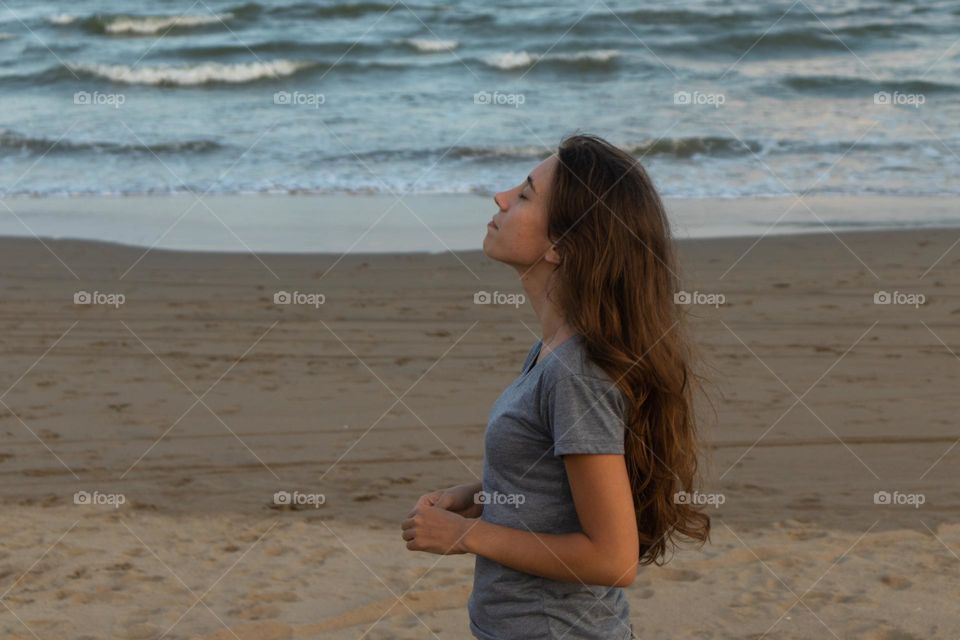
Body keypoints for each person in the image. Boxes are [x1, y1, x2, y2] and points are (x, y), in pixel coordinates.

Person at [401, 133, 711, 639]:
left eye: (524, 195)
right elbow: (560, 484)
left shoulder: (576, 374)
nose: (500, 198)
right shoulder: (554, 354)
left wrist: (466, 535)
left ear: (562, 246)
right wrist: (486, 495)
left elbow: (613, 560)